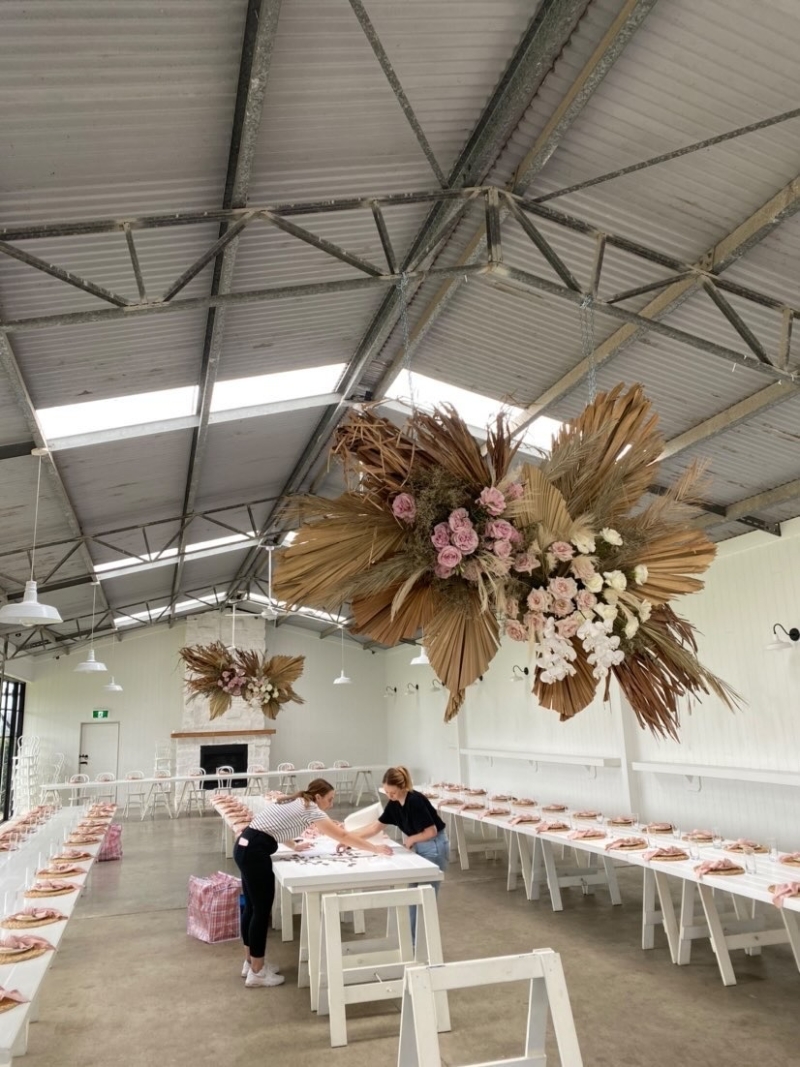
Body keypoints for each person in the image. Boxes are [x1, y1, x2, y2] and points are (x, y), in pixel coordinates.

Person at [233, 777, 392, 988]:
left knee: (252, 908)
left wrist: (294, 846)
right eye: (330, 799)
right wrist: (374, 848)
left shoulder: (296, 801)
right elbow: (342, 835)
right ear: (318, 796)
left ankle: (251, 964)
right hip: (254, 852)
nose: (331, 804)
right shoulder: (311, 809)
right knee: (260, 911)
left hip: (244, 846)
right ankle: (257, 973)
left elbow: (273, 826)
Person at [352, 766, 449, 936]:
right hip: (420, 845)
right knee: (413, 897)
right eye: (387, 792)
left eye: (393, 792)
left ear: (403, 787)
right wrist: (349, 838)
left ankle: (420, 944)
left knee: (425, 899)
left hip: (434, 847)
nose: (390, 796)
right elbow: (375, 827)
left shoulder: (415, 801)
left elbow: (431, 831)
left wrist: (411, 839)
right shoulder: (394, 803)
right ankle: (413, 943)